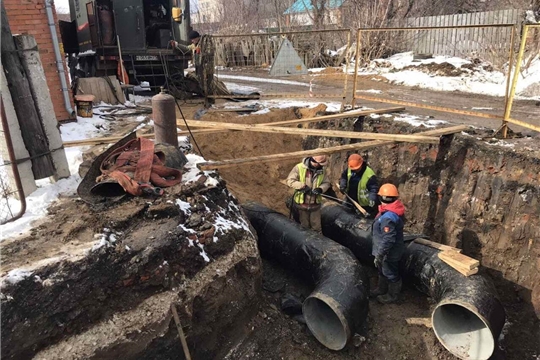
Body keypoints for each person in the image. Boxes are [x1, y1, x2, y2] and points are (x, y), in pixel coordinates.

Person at [370, 183, 406, 304]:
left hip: (388, 252)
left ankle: (392, 295)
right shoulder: (391, 211)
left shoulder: (388, 217)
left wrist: (380, 254)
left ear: (381, 198)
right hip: (385, 250)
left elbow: (388, 239)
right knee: (382, 270)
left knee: (390, 272)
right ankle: (381, 289)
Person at [286, 155, 331, 232]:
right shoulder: (299, 168)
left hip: (315, 205)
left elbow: (326, 183)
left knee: (316, 228)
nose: (321, 166)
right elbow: (290, 181)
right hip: (302, 204)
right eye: (320, 164)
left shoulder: (322, 170)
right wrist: (302, 186)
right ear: (315, 162)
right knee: (304, 228)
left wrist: (320, 189)